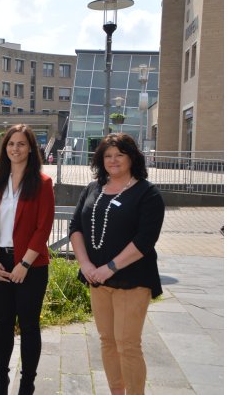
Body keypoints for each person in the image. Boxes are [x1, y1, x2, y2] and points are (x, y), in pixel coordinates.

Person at [69, 133, 165, 395]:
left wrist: (108, 268)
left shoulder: (148, 194)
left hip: (132, 280)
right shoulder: (92, 189)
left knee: (127, 344)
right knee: (107, 341)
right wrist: (86, 265)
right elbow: (75, 226)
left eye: (119, 155)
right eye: (107, 156)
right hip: (96, 279)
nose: (113, 160)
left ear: (132, 158)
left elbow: (145, 241)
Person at [0, 124, 55, 395]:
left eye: (22, 144)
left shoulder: (43, 183)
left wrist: (24, 264)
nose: (16, 149)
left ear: (30, 148)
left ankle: (27, 383)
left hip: (31, 266)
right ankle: (1, 382)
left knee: (29, 325)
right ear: (5, 148)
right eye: (11, 144)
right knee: (2, 324)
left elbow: (43, 228)